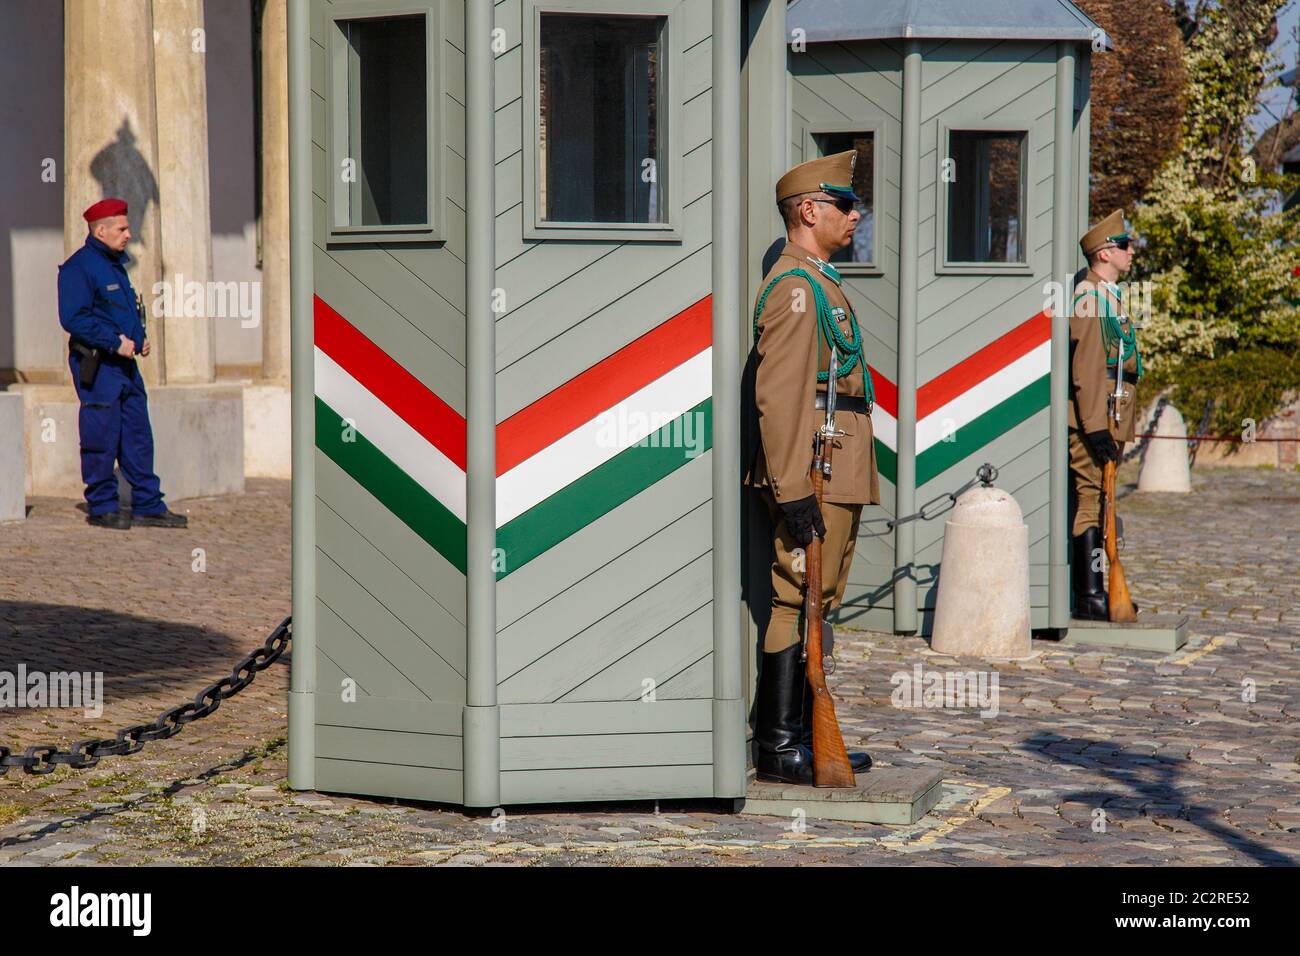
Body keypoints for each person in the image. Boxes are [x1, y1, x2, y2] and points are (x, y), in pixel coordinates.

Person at [744, 151, 878, 784]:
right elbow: (781, 397)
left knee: (821, 597)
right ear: (808, 210)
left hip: (839, 460)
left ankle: (804, 728)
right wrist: (793, 490)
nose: (855, 215)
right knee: (796, 595)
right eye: (844, 204)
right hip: (814, 471)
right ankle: (779, 742)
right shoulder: (798, 291)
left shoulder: (820, 282)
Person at [57, 198, 187, 530]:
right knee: (101, 434)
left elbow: (123, 311)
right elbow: (74, 318)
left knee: (138, 435)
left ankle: (147, 504)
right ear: (101, 231)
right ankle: (101, 506)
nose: (129, 234)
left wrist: (138, 336)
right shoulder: (79, 268)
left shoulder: (114, 265)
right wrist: (115, 342)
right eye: (122, 228)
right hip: (98, 365)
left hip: (126, 367)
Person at [1068, 209, 1141, 619]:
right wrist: (1096, 428)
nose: (1132, 252)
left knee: (1103, 503)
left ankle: (1099, 589)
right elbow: (1087, 368)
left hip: (1110, 416)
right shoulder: (1088, 297)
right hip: (1092, 419)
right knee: (1090, 500)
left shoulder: (1108, 296)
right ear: (1104, 253)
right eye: (1125, 245)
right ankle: (1091, 595)